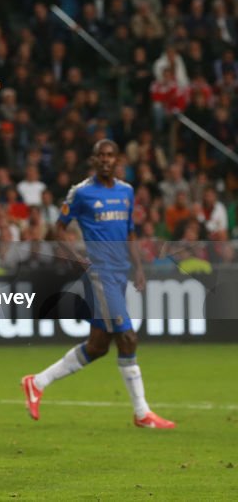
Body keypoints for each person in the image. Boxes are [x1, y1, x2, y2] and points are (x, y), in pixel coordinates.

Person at [22, 140, 175, 429]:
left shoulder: (127, 191)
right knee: (128, 338)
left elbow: (130, 232)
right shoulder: (81, 192)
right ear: (94, 160)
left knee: (98, 345)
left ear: (117, 160)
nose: (105, 160)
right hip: (99, 274)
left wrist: (139, 267)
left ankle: (37, 381)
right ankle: (142, 413)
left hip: (120, 274)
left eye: (110, 155)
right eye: (100, 156)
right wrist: (77, 258)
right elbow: (59, 228)